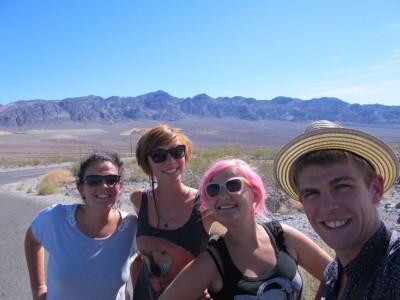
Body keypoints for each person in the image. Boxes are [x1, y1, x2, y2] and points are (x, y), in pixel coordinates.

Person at [159, 157, 332, 300]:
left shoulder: (283, 236)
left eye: (233, 186)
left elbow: (336, 275)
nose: (223, 195)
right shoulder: (212, 262)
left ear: (255, 194)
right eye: (213, 190)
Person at [273, 120, 400, 299]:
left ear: (376, 189)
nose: (327, 206)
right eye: (311, 193)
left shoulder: (394, 266)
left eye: (342, 187)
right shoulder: (333, 274)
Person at [24, 151, 137, 300]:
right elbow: (32, 240)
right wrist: (39, 289)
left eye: (111, 179)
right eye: (93, 181)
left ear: (120, 186)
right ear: (81, 188)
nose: (104, 186)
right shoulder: (55, 219)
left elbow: (145, 257)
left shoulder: (131, 226)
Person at [130, 124, 218, 300]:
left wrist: (215, 286)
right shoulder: (140, 199)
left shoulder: (205, 206)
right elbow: (141, 260)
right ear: (146, 162)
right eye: (158, 156)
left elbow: (236, 249)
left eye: (177, 152)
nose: (170, 161)